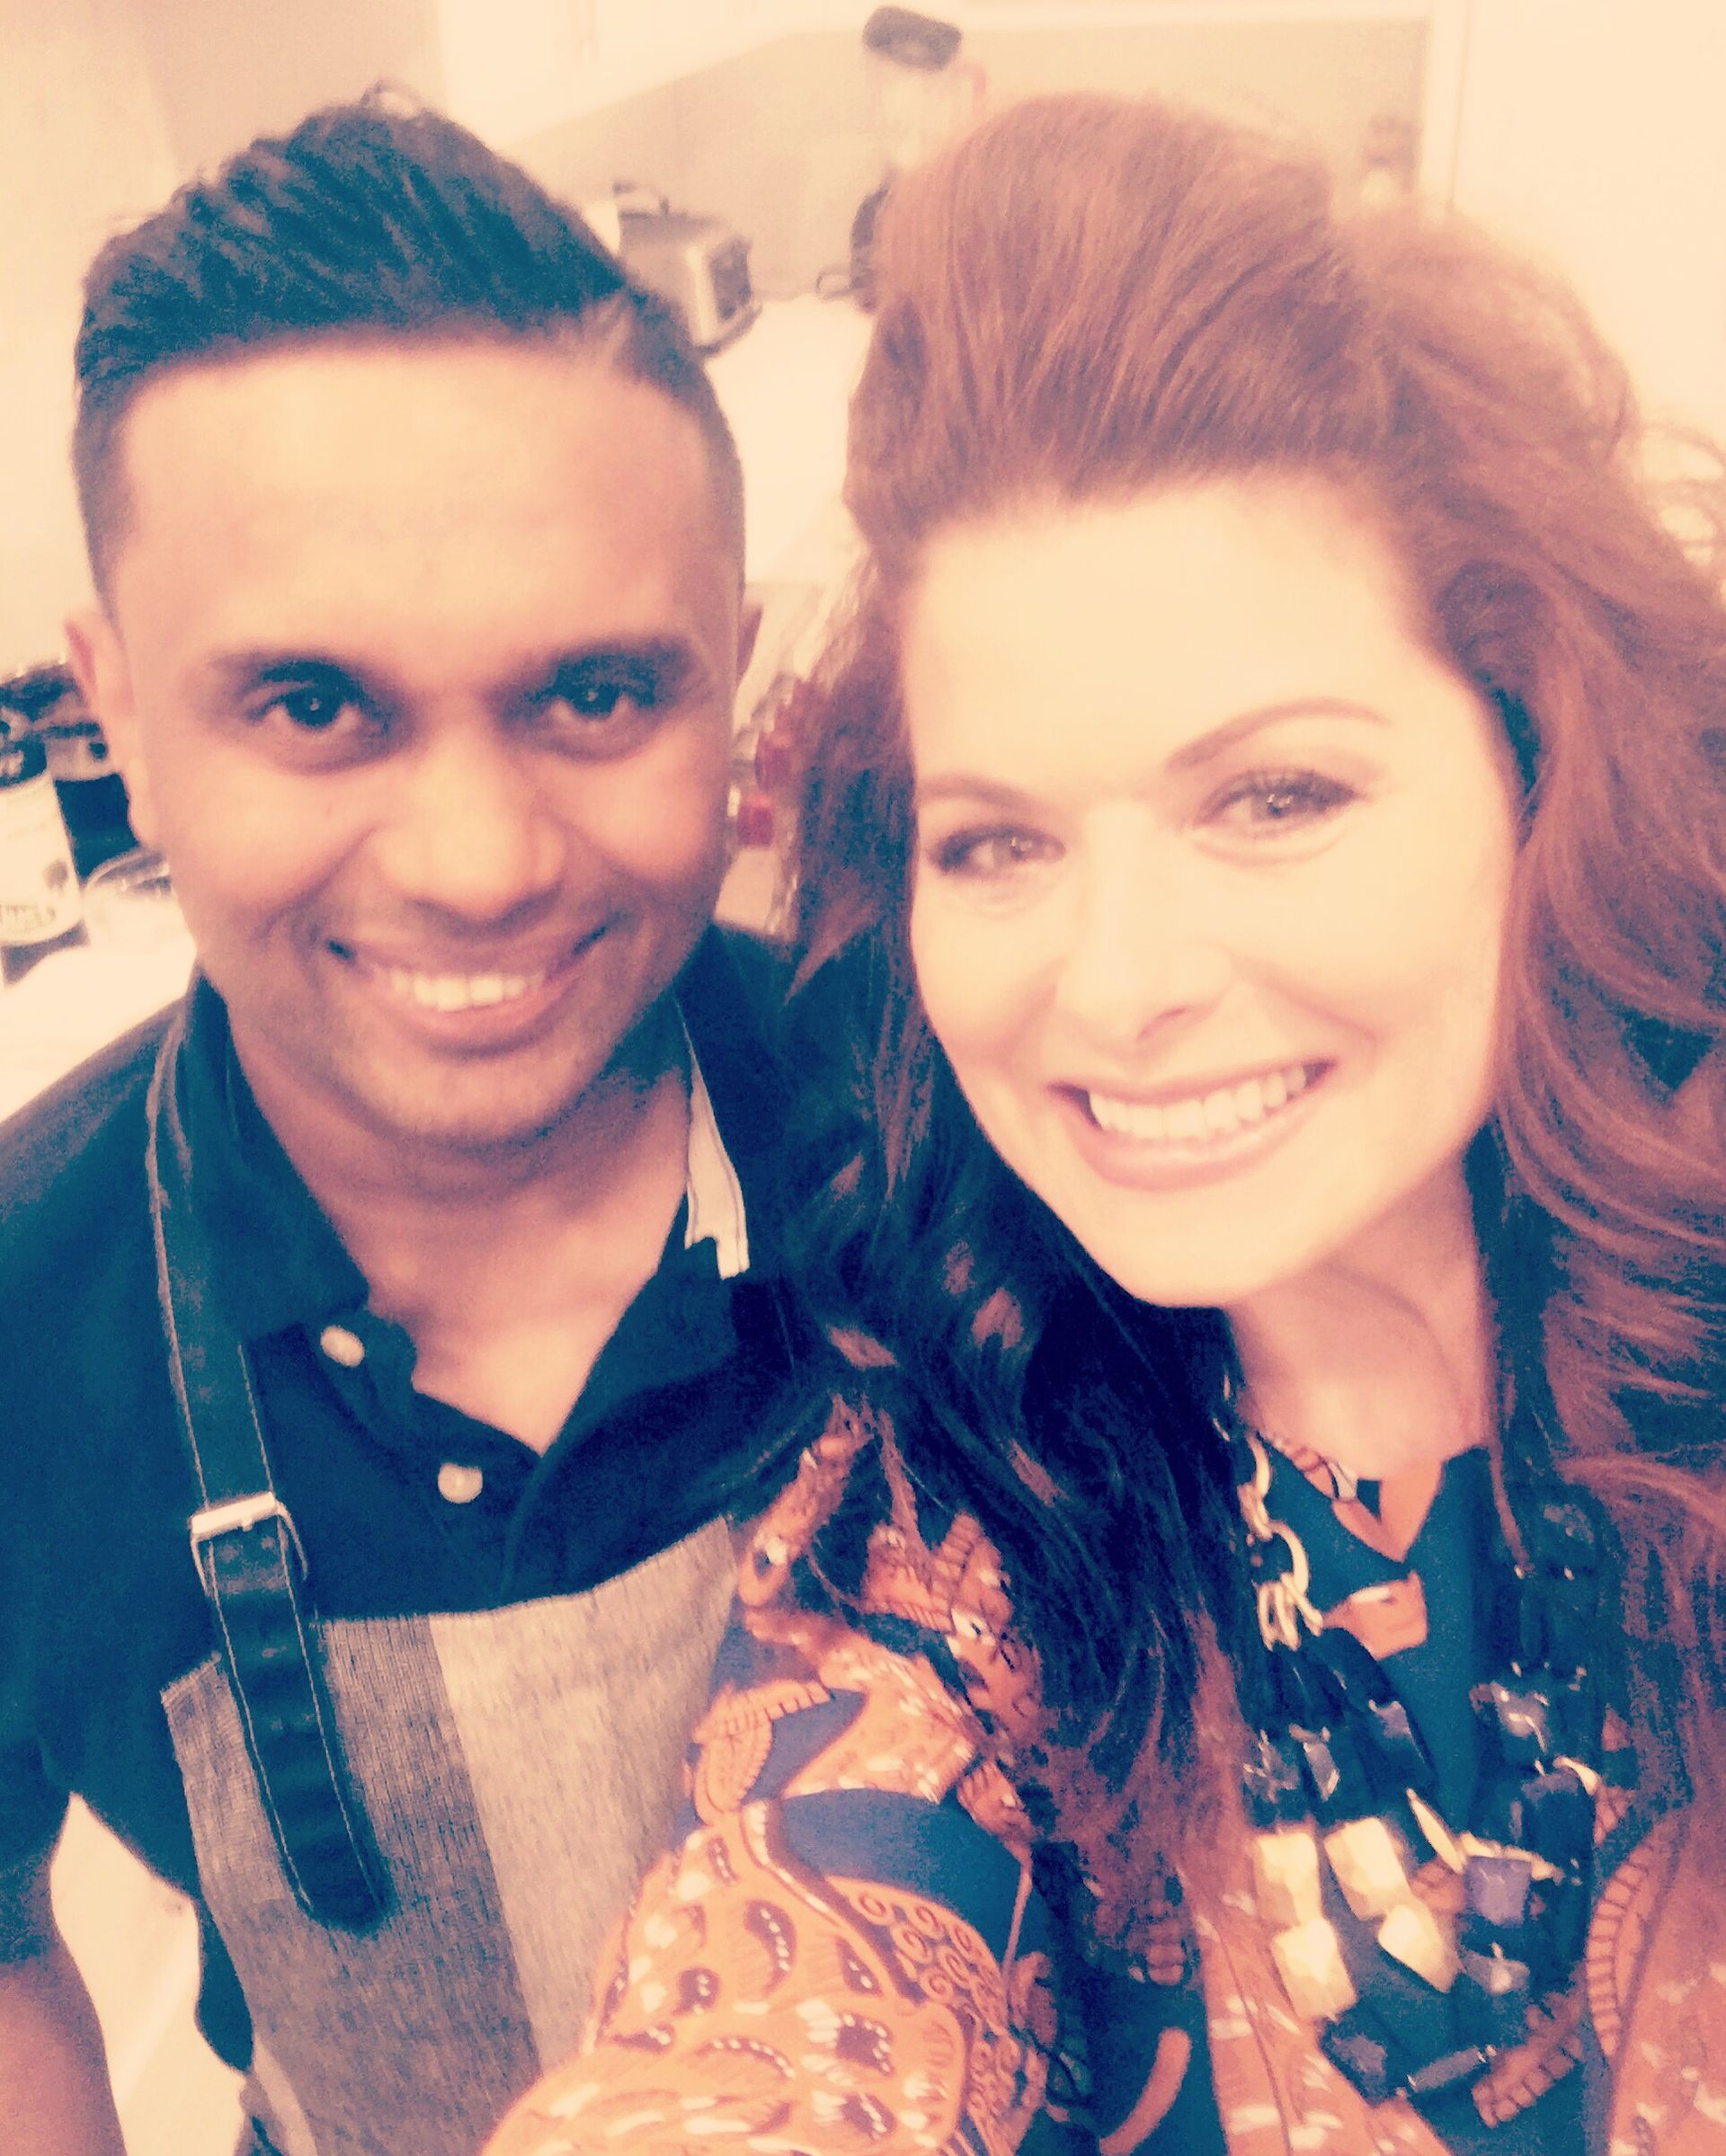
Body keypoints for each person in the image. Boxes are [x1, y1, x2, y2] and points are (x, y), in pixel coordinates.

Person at [487, 93, 1726, 2156]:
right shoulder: (968, 1518)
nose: (1120, 981)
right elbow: (783, 2006)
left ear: (1543, 772)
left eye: (1276, 796)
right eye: (1000, 842)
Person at [0, 96, 811, 2156]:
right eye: (313, 707)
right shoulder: (17, 1319)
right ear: (117, 714)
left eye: (596, 695)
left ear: (731, 679)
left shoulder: (965, 1146)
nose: (477, 863)